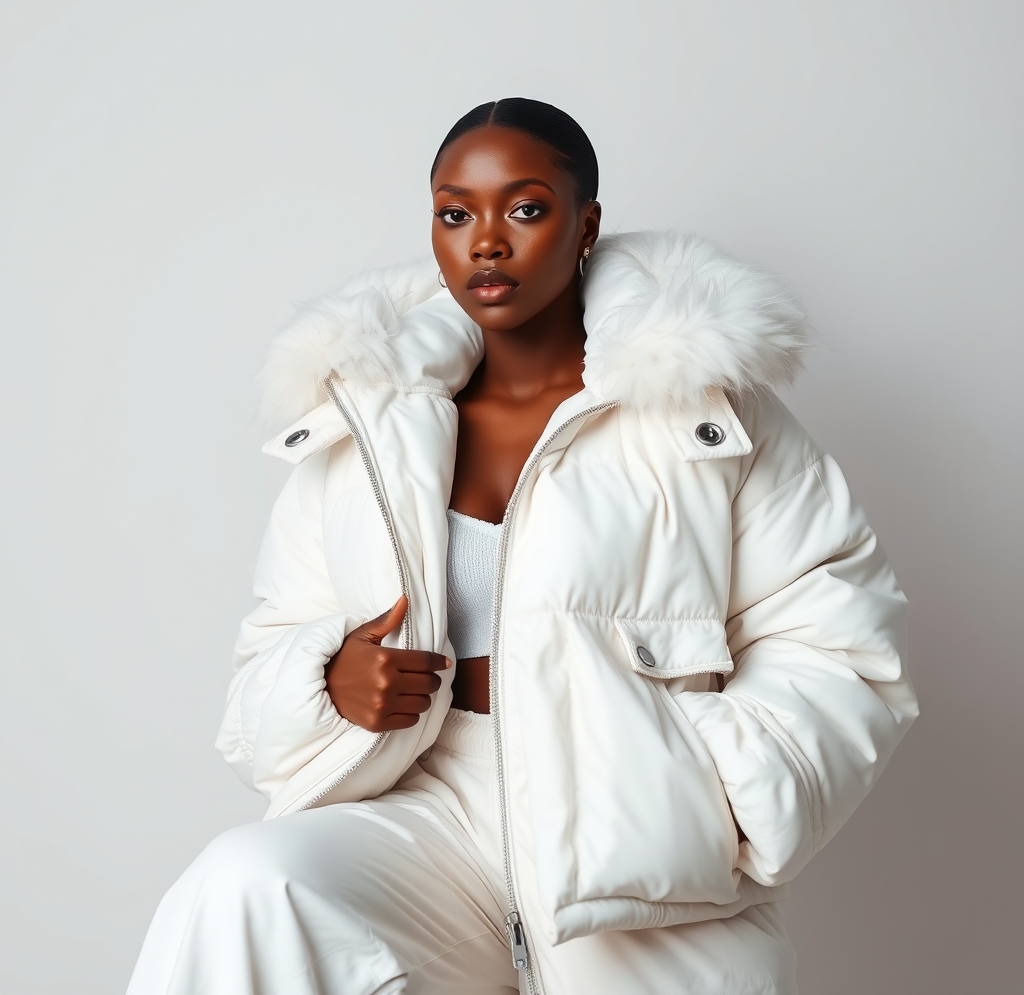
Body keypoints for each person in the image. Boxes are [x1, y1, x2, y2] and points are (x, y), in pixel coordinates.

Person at [127, 99, 918, 995]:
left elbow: (841, 644)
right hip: (430, 810)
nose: (486, 242)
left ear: (586, 227)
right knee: (244, 889)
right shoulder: (368, 429)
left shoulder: (707, 417)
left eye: (526, 209)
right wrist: (327, 681)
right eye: (455, 213)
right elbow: (269, 650)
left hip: (625, 819)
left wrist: (704, 791)